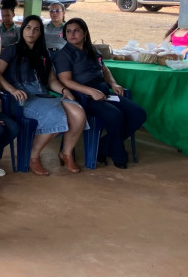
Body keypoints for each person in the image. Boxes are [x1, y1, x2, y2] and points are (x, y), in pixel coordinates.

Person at [0, 15, 86, 175]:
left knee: (78, 113)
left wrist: (65, 91)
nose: (31, 32)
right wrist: (12, 90)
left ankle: (66, 153)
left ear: (40, 33)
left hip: (43, 96)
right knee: (56, 114)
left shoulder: (44, 53)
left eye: (36, 29)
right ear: (23, 30)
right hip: (23, 99)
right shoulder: (12, 50)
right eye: (28, 28)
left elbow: (51, 80)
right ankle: (33, 157)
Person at [55, 18, 147, 169]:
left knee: (138, 114)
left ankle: (103, 147)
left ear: (84, 33)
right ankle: (119, 156)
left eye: (76, 30)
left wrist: (113, 83)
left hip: (104, 92)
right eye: (68, 31)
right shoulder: (64, 55)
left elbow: (105, 70)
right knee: (115, 116)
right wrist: (91, 91)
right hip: (83, 96)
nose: (72, 34)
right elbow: (66, 81)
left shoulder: (92, 50)